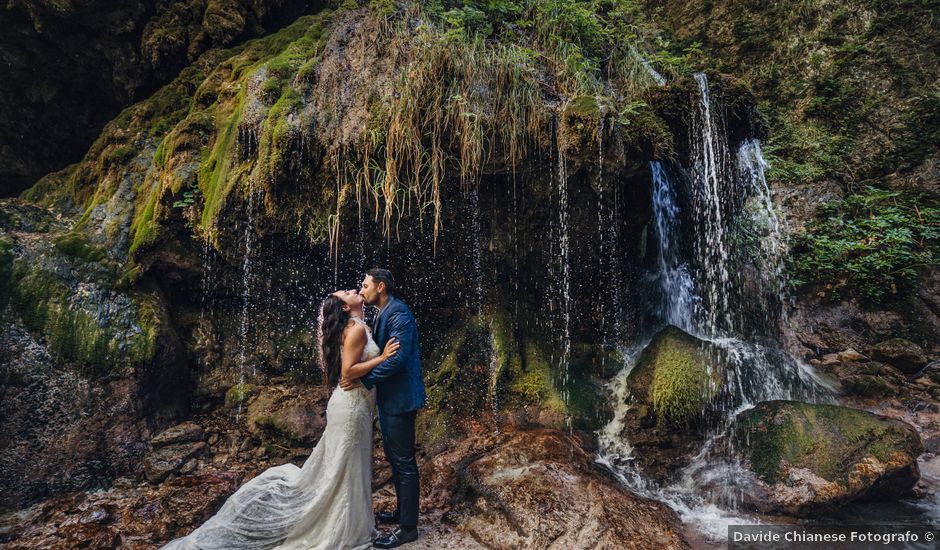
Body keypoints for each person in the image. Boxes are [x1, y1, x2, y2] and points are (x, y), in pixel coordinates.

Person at [160, 289, 399, 550]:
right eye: (346, 292)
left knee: (349, 466)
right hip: (351, 407)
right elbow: (348, 372)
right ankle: (341, 528)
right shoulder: (356, 329)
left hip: (355, 406)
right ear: (343, 308)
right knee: (345, 467)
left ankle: (355, 523)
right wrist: (383, 358)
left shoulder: (358, 325)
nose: (353, 289)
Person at [341, 268, 426, 549]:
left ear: (380, 287)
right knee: (394, 455)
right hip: (390, 399)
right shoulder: (382, 311)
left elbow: (399, 359)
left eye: (365, 286)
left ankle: (408, 529)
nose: (361, 290)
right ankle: (402, 514)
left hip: (400, 399)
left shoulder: (399, 313)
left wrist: (365, 380)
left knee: (404, 461)